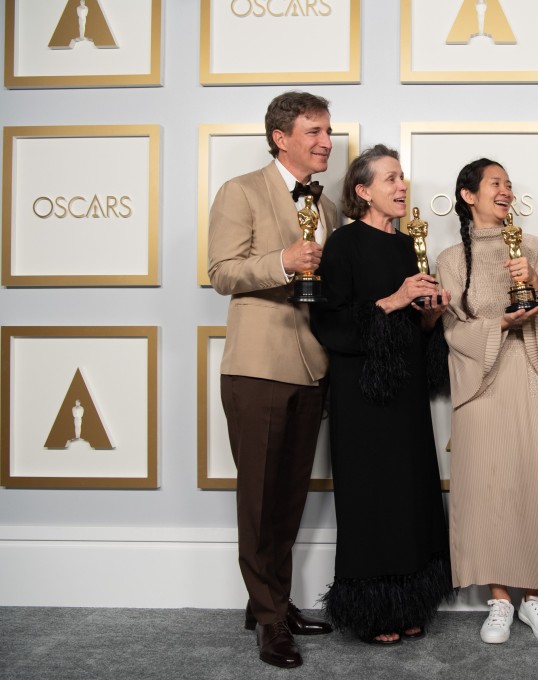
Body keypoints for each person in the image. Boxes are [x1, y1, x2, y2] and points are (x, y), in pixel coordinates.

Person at [208, 90, 336, 669]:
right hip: (257, 368)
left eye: (328, 131)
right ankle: (267, 620)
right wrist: (283, 260)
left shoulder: (328, 205)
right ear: (281, 137)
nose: (325, 142)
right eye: (313, 131)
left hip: (312, 368)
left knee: (286, 500)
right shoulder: (240, 190)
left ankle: (273, 603)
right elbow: (220, 272)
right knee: (260, 500)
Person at [309, 144, 454, 645]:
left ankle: (409, 600)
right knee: (370, 499)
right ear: (362, 190)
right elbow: (329, 323)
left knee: (410, 495)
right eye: (390, 179)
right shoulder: (343, 245)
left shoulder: (409, 246)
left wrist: (432, 313)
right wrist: (397, 298)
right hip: (361, 395)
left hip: (407, 391)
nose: (401, 187)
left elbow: (419, 329)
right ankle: (372, 611)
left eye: (402, 178)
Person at [435, 158, 538, 645]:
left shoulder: (534, 248)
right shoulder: (450, 258)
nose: (506, 190)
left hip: (530, 375)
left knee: (537, 482)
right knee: (487, 487)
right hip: (481, 383)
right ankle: (500, 600)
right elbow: (452, 329)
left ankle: (536, 599)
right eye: (496, 183)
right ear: (469, 195)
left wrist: (533, 283)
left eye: (510, 184)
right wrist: (499, 327)